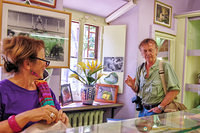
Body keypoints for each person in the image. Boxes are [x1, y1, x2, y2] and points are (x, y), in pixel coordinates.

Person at [0, 36, 69, 132]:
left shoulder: (45, 90)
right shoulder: (2, 91)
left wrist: (62, 118)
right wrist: (28, 116)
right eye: (43, 59)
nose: (45, 65)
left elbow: (58, 115)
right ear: (27, 64)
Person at [125, 38, 180, 117]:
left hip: (158, 112)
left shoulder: (165, 66)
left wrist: (160, 107)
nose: (148, 53)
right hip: (143, 111)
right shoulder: (140, 69)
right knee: (140, 129)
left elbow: (174, 90)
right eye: (145, 51)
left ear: (156, 50)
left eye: (150, 50)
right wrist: (132, 86)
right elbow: (137, 90)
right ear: (141, 53)